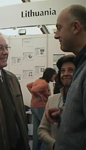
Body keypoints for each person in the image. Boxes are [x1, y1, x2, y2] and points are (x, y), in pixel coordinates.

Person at [45, 5, 86, 150]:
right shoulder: (80, 66)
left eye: (59, 28)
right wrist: (64, 115)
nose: (56, 35)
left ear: (75, 27)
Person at [38, 55, 75, 150]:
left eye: (71, 70)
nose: (66, 73)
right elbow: (42, 130)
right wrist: (54, 144)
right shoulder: (52, 99)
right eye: (63, 70)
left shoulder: (81, 100)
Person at [27, 68, 56, 150]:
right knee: (46, 129)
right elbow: (33, 89)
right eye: (54, 75)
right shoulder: (44, 84)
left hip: (33, 106)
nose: (54, 77)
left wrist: (36, 95)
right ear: (50, 75)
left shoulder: (38, 80)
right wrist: (39, 96)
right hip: (40, 107)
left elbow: (28, 85)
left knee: (36, 130)